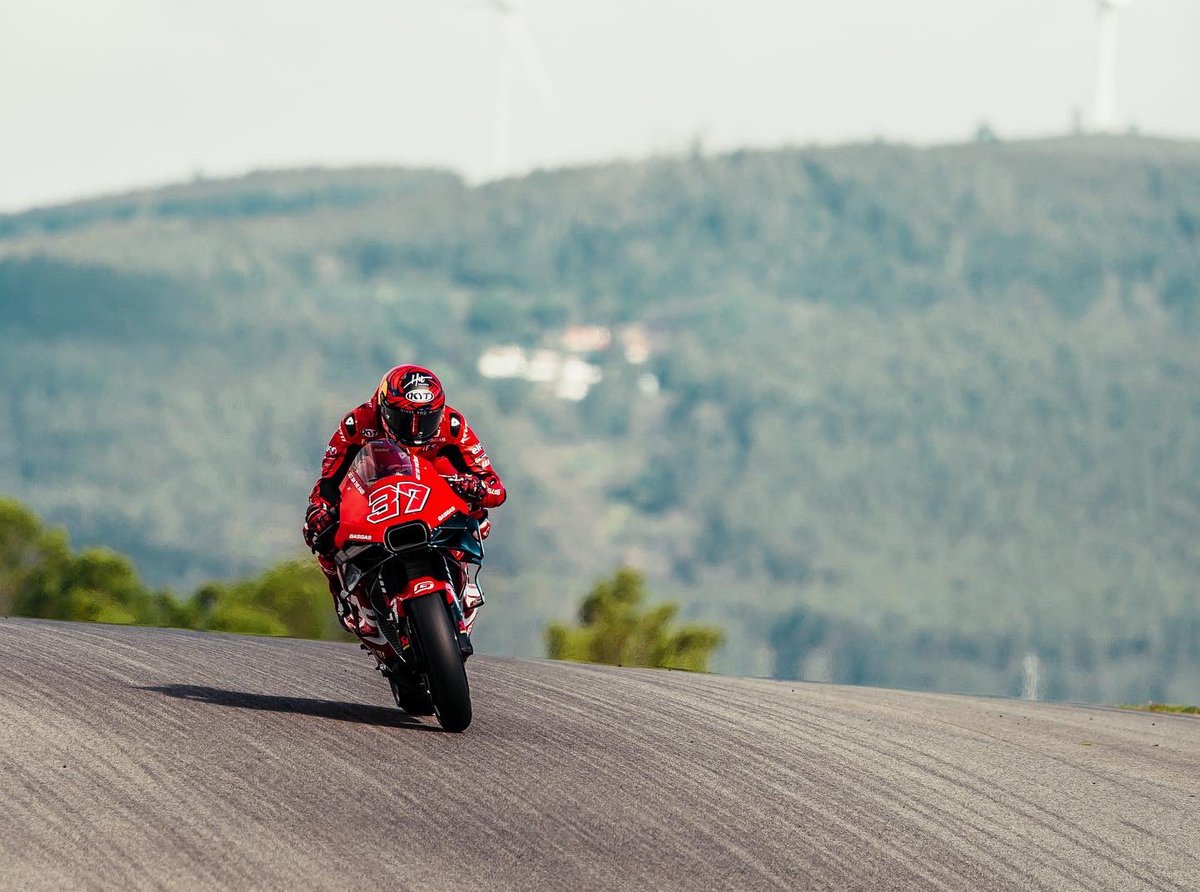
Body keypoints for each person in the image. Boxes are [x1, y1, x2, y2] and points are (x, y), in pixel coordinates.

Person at [302, 364, 506, 665]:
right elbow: (329, 480)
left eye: (426, 419)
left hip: (434, 493)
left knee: (480, 517)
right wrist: (320, 510)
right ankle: (347, 601)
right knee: (320, 535)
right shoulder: (358, 423)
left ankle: (463, 580)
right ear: (383, 407)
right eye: (404, 418)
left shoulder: (452, 425)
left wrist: (474, 487)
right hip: (376, 496)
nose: (415, 430)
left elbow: (495, 488)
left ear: (439, 410)